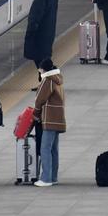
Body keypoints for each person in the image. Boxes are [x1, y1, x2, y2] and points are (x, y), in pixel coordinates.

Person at [32, 59, 65, 187]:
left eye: (40, 69)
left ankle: (46, 178)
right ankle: (53, 177)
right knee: (53, 149)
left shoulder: (47, 80)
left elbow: (39, 99)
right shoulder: (58, 79)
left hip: (49, 117)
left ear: (43, 69)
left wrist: (36, 113)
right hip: (58, 117)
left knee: (45, 148)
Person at [24, 0, 59, 68]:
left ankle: (49, 76)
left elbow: (36, 15)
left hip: (39, 33)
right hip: (47, 32)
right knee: (44, 59)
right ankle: (48, 75)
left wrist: (31, 31)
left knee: (40, 61)